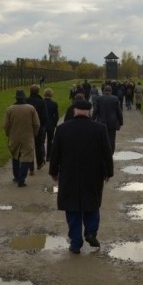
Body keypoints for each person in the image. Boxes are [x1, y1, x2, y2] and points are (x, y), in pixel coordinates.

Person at [49, 99, 114, 254]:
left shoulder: (62, 129)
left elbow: (55, 152)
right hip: (93, 173)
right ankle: (91, 232)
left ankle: (76, 242)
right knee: (92, 204)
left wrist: (53, 171)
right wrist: (108, 172)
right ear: (89, 112)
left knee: (72, 208)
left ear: (74, 111)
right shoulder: (100, 129)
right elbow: (107, 153)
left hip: (69, 173)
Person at [4, 90, 40, 188]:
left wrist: (8, 134)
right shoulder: (31, 108)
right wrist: (34, 134)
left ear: (16, 98)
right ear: (24, 97)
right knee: (26, 157)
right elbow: (36, 124)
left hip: (14, 136)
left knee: (15, 155)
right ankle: (21, 179)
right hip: (28, 136)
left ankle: (16, 176)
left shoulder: (10, 109)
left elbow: (6, 125)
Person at [92, 85, 123, 154]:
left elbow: (95, 110)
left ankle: (102, 153)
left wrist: (92, 120)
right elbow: (119, 112)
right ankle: (110, 154)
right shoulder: (115, 98)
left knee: (101, 139)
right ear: (111, 91)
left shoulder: (99, 99)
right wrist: (120, 122)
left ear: (103, 91)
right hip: (112, 123)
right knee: (111, 139)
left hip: (101, 122)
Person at [26, 84, 49, 171]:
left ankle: (31, 166)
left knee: (29, 147)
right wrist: (43, 125)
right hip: (39, 126)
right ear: (38, 91)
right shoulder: (41, 102)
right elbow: (44, 116)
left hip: (28, 127)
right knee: (39, 145)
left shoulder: (26, 101)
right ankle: (39, 163)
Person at [43, 88, 59, 163]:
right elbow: (56, 116)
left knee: (41, 141)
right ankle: (48, 156)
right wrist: (55, 124)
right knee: (50, 141)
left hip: (42, 124)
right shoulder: (54, 104)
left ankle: (42, 154)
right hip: (51, 124)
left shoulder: (41, 103)